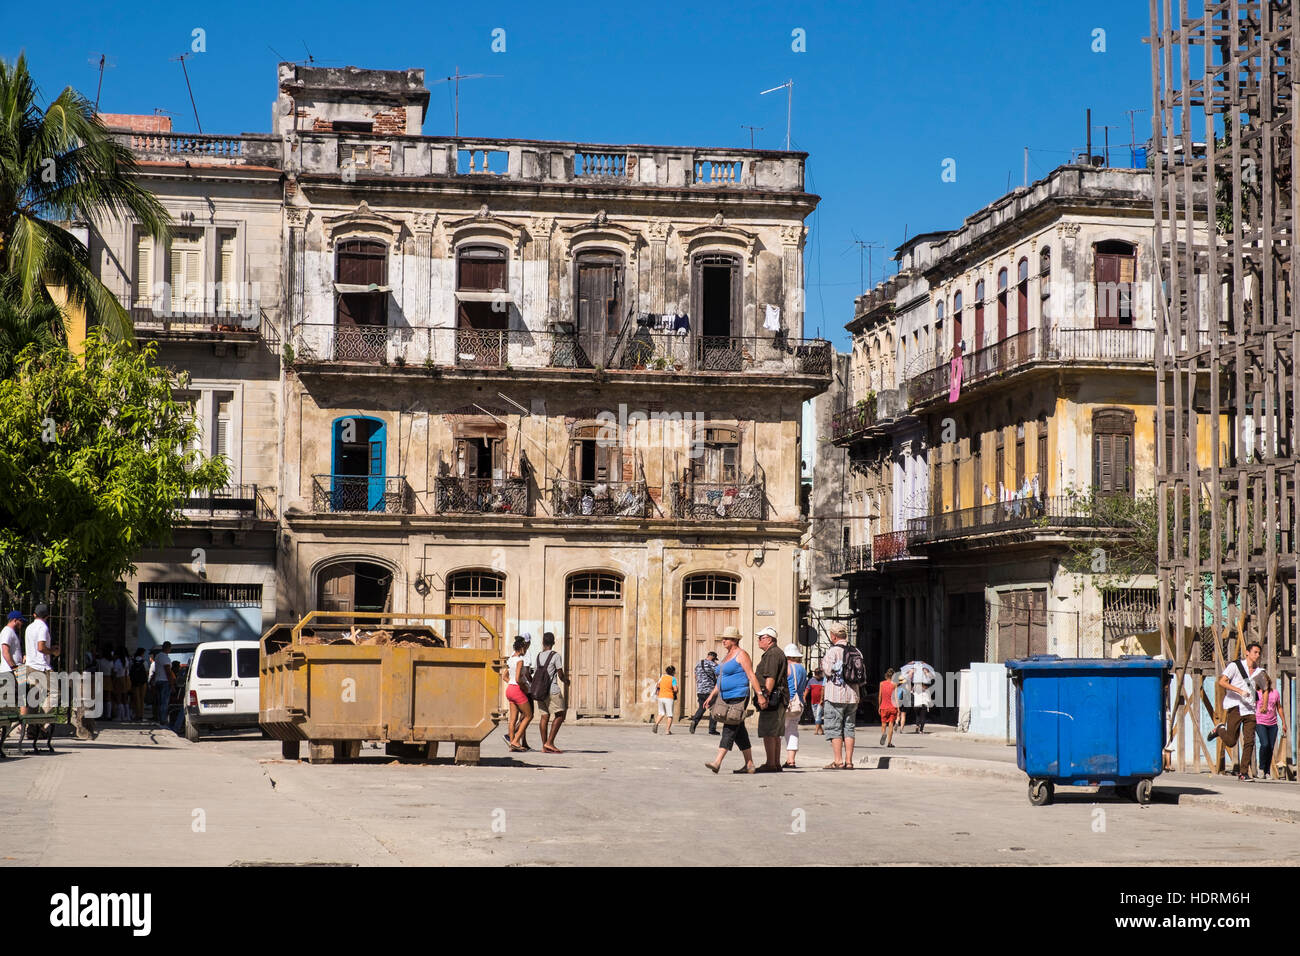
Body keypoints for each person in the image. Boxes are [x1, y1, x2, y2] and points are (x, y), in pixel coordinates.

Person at [702, 626, 763, 774]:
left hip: (738, 695)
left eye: (727, 638)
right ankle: (749, 764)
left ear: (735, 640)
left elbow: (751, 675)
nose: (723, 641)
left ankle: (717, 761)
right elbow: (721, 679)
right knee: (739, 730)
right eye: (723, 638)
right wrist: (711, 695)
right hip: (725, 697)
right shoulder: (727, 656)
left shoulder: (741, 655)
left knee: (729, 727)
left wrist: (759, 694)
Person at [1208, 638, 1263, 780]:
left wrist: (1263, 703)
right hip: (1236, 706)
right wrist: (1239, 690)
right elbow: (1222, 681)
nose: (1257, 655)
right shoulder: (1235, 666)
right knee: (1232, 741)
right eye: (1255, 652)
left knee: (1250, 741)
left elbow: (1263, 688)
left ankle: (1243, 773)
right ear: (1247, 653)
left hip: (1250, 709)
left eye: (1259, 653)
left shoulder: (1259, 671)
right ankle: (1220, 729)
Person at [821, 622, 861, 769]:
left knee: (834, 727)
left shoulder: (833, 651)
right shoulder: (856, 651)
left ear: (833, 636)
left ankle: (838, 760)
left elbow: (827, 671)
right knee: (849, 727)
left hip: (835, 695)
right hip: (853, 695)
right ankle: (849, 761)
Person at [753, 626, 788, 772]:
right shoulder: (777, 652)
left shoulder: (772, 654)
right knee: (775, 733)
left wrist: (764, 696)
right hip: (780, 698)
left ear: (769, 639)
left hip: (773, 698)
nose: (758, 640)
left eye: (761, 638)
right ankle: (776, 762)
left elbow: (770, 677)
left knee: (768, 731)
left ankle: (770, 763)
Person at [535, 632, 569, 754]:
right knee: (560, 715)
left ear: (543, 642)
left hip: (539, 691)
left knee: (544, 717)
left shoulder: (539, 656)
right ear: (553, 642)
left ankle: (544, 746)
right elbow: (560, 674)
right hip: (552, 690)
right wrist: (566, 681)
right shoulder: (556, 656)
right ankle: (550, 742)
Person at [502, 637, 533, 752]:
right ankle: (515, 741)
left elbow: (504, 676)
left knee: (512, 719)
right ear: (521, 648)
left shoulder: (510, 660)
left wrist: (512, 683)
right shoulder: (520, 660)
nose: (525, 649)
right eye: (524, 647)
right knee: (528, 715)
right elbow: (518, 678)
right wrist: (524, 687)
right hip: (517, 689)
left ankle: (512, 745)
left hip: (509, 689)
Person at [1255, 672, 1287, 779]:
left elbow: (1279, 707)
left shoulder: (1275, 693)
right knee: (1265, 744)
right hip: (1260, 722)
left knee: (1271, 747)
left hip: (1273, 724)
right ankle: (1261, 768)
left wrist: (1283, 722)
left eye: (1266, 681)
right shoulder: (1257, 693)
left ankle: (1267, 771)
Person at [782, 643, 809, 768]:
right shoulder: (802, 669)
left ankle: (774, 760)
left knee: (778, 732)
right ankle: (791, 760)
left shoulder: (787, 667)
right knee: (793, 731)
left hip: (788, 702)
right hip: (799, 704)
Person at [689, 651, 720, 735]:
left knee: (701, 708)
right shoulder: (712, 664)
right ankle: (712, 729)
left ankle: (694, 722)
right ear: (713, 658)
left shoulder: (698, 663)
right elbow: (720, 672)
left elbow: (695, 676)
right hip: (710, 691)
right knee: (713, 709)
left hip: (700, 690)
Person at [1, 611, 23, 710]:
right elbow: (5, 651)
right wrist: (15, 668)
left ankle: (11, 725)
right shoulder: (7, 631)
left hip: (12, 670)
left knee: (13, 702)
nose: (22, 623)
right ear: (15, 620)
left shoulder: (11, 632)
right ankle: (7, 725)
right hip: (9, 671)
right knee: (8, 704)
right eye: (21, 621)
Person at [151, 642, 174, 726]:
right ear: (168, 648)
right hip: (165, 681)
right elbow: (168, 671)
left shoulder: (157, 656)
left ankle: (160, 718)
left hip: (158, 681)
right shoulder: (165, 658)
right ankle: (163, 720)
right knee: (164, 702)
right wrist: (172, 684)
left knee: (160, 701)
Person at [653, 665, 678, 734]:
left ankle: (656, 724)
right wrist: (675, 691)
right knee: (669, 715)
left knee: (661, 713)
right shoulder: (673, 679)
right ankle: (667, 730)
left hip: (661, 697)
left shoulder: (662, 677)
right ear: (673, 672)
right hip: (669, 697)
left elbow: (658, 686)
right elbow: (675, 689)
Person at [879, 669, 901, 747]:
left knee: (883, 723)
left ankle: (883, 733)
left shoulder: (881, 683)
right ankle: (889, 743)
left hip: (883, 707)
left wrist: (879, 706)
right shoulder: (894, 684)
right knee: (891, 724)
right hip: (892, 707)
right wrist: (898, 708)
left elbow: (880, 696)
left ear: (886, 675)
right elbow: (895, 697)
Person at [129, 648, 148, 722]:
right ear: (142, 654)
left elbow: (130, 671)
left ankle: (136, 714)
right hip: (143, 682)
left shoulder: (132, 661)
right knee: (142, 698)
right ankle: (141, 715)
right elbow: (146, 672)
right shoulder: (144, 662)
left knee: (136, 698)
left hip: (134, 682)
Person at [808, 667, 825, 735]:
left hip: (820, 701)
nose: (817, 675)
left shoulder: (824, 681)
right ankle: (821, 730)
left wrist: (822, 699)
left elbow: (824, 690)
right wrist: (804, 697)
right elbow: (807, 689)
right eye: (816, 674)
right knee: (816, 716)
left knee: (818, 715)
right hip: (813, 701)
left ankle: (816, 730)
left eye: (819, 674)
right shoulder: (811, 680)